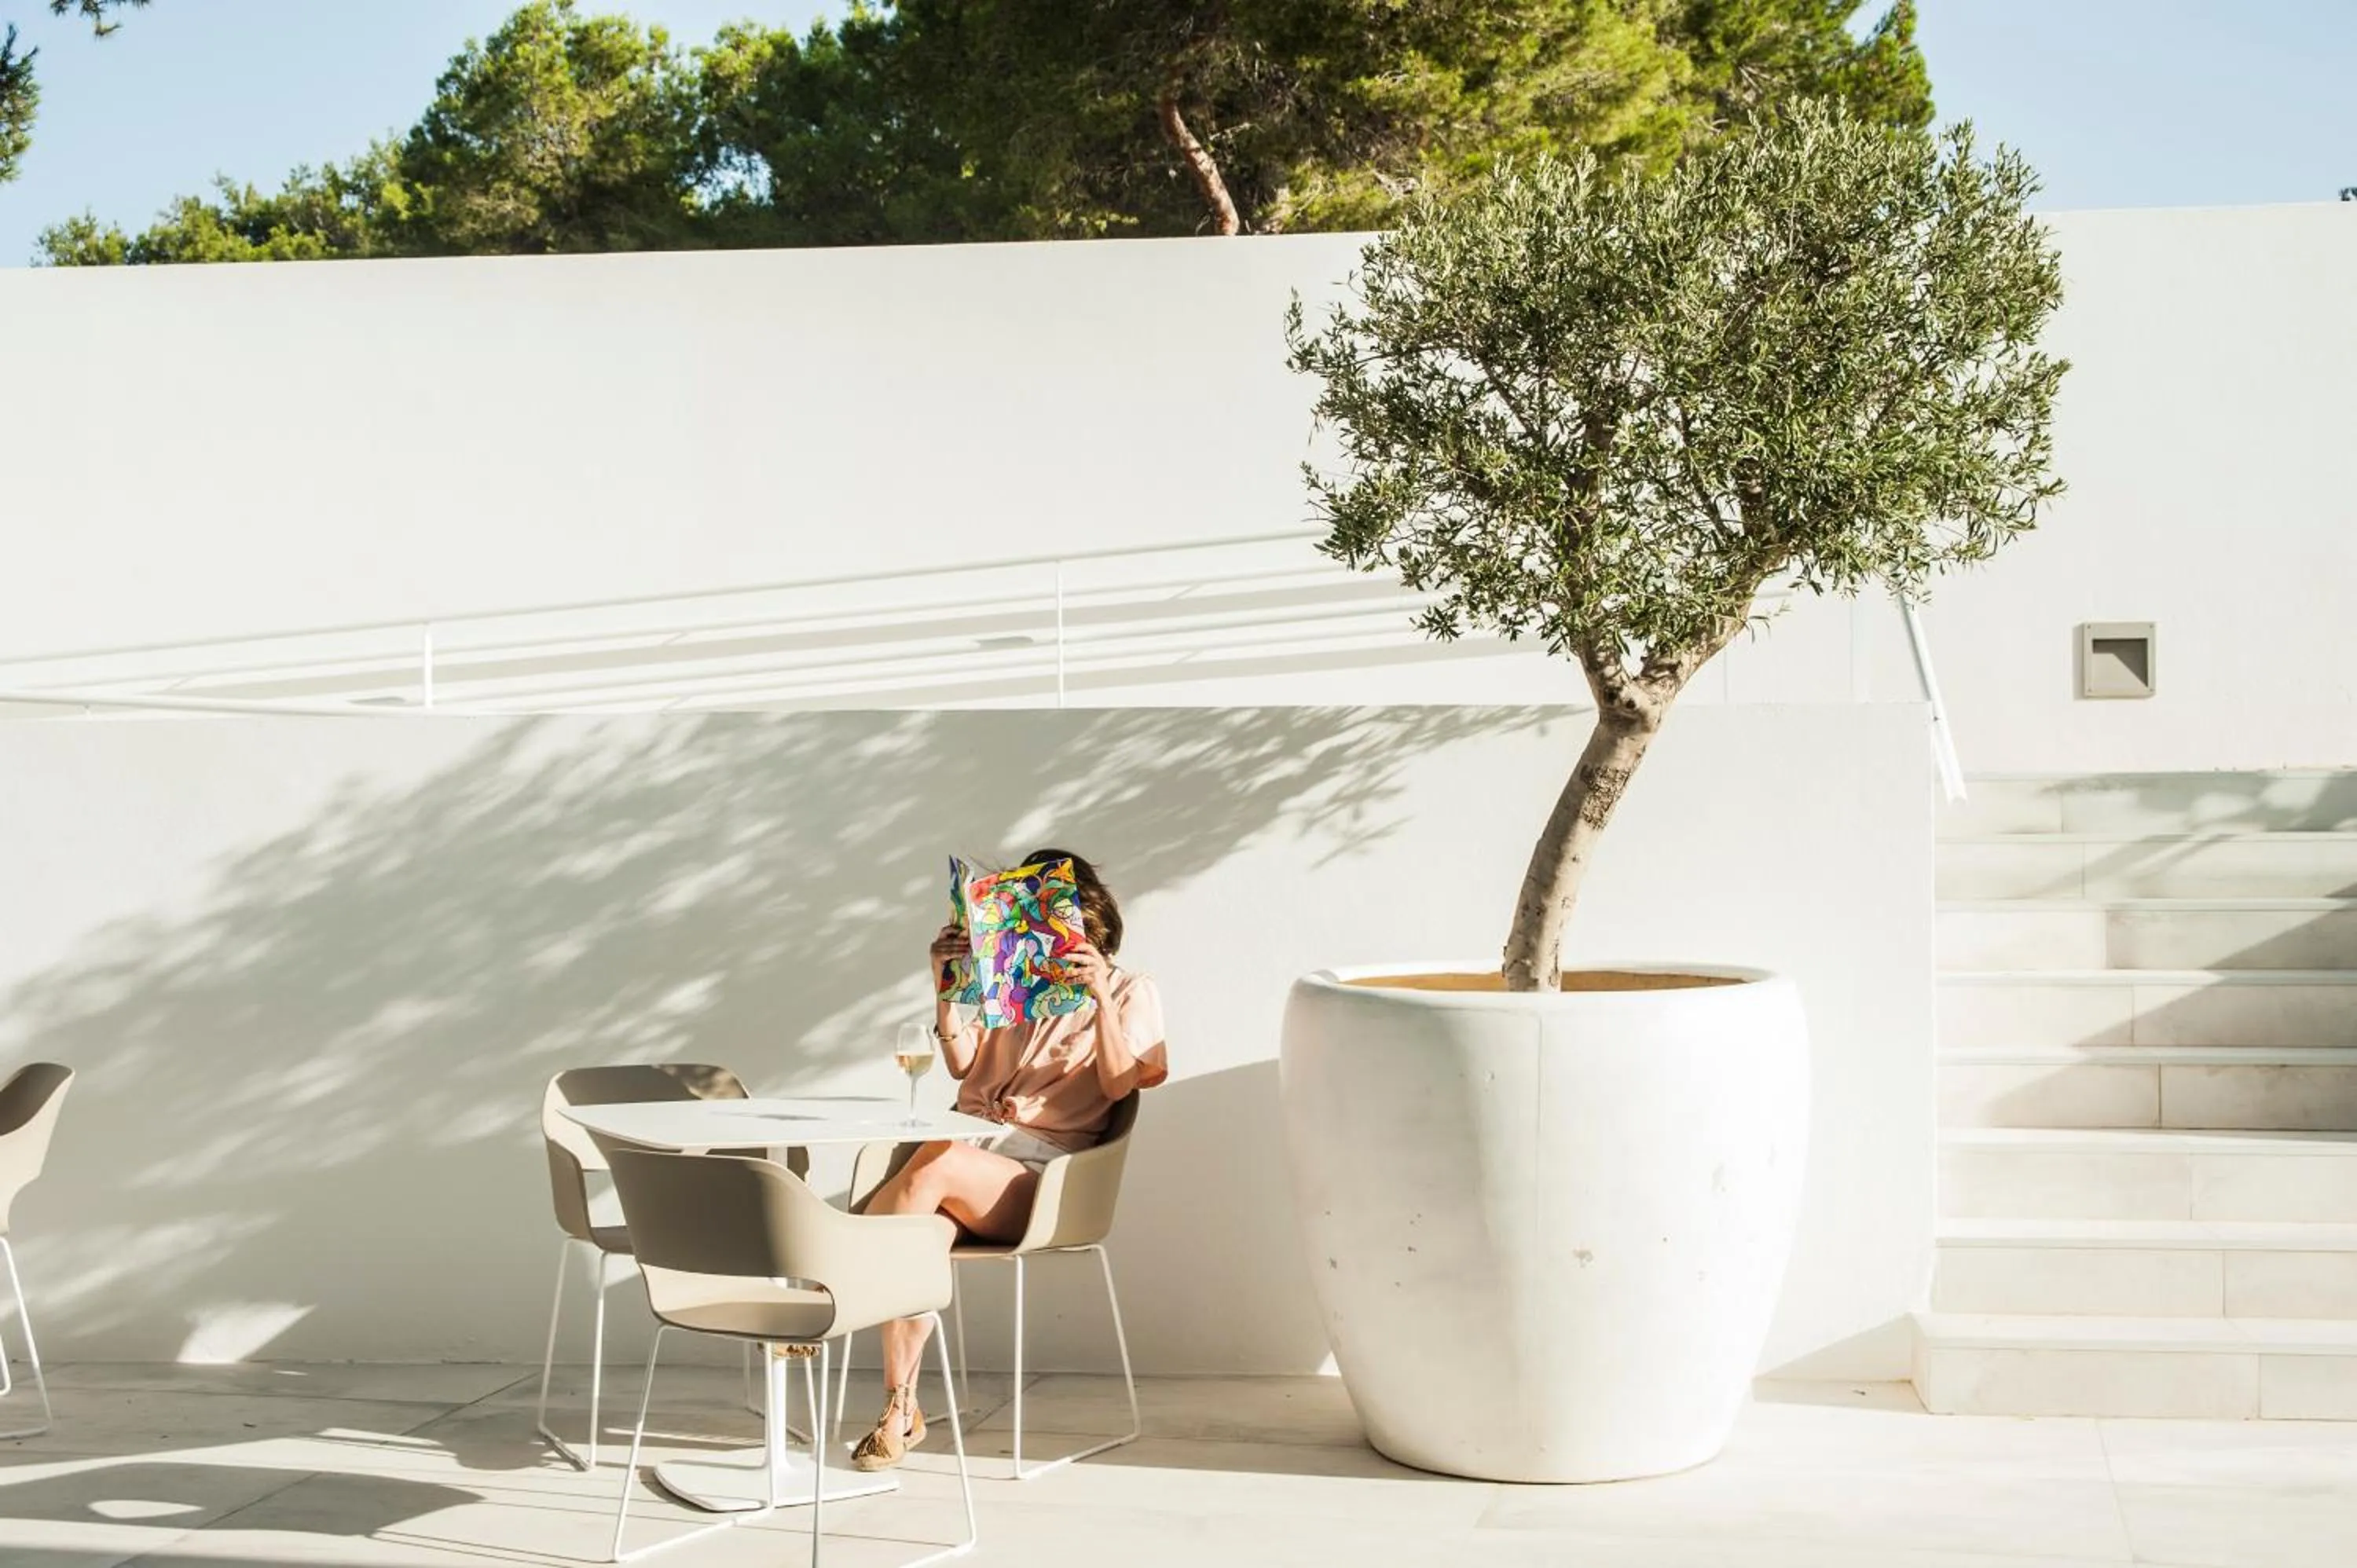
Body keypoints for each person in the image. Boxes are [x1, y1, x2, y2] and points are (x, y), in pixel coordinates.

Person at [851, 848, 1168, 1471]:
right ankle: (899, 1406)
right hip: (967, 1157)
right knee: (921, 1233)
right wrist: (946, 988)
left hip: (1044, 1176)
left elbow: (1116, 1084)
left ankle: (829, 1278)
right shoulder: (1015, 982)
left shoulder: (1132, 989)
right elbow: (965, 1067)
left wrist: (1099, 996)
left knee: (931, 1164)